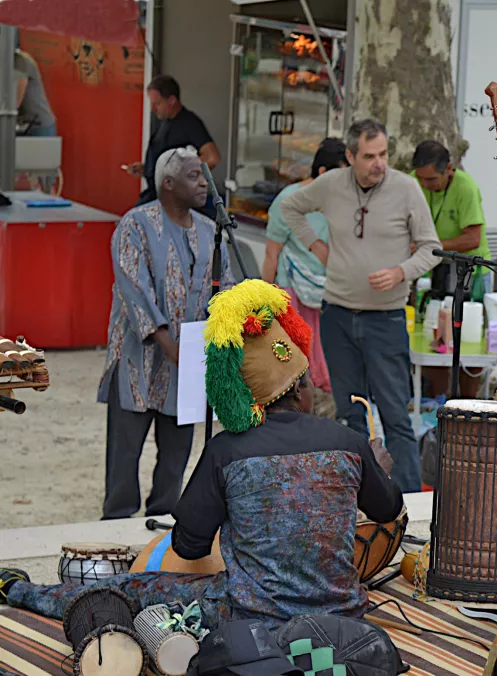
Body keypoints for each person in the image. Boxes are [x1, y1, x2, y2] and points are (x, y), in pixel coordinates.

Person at [0, 280, 403, 630]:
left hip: (250, 618)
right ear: (298, 388)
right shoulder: (348, 442)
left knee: (133, 586)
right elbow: (388, 509)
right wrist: (380, 470)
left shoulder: (226, 450)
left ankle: (18, 590)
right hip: (342, 615)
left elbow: (189, 546)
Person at [281, 119, 441, 493]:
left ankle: (409, 501)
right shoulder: (331, 185)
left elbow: (431, 248)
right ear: (351, 156)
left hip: (385, 319)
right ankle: (354, 495)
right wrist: (316, 247)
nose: (379, 163)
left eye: (383, 154)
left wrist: (400, 272)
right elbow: (290, 208)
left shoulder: (406, 189)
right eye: (369, 156)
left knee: (396, 416)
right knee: (350, 415)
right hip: (337, 314)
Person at [97, 147, 234, 521]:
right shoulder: (135, 225)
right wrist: (169, 345)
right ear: (168, 184)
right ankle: (116, 527)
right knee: (124, 457)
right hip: (137, 363)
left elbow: (225, 289)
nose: (204, 183)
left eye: (203, 175)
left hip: (187, 366)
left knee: (176, 459)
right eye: (194, 176)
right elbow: (134, 289)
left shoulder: (210, 232)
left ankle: (163, 526)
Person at [261, 137, 349, 396]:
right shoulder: (289, 201)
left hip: (331, 294)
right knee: (297, 370)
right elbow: (271, 254)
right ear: (322, 172)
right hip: (294, 294)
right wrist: (263, 304)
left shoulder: (345, 202)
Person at [411, 140, 491, 300]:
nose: (424, 184)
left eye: (431, 179)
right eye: (420, 178)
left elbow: (473, 239)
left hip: (469, 271)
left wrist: (429, 246)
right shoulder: (413, 181)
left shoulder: (465, 187)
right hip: (434, 268)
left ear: (448, 168)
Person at [126, 75, 221, 209]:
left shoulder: (190, 123)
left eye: (157, 103)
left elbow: (212, 158)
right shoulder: (164, 122)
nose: (153, 109)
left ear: (172, 100)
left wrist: (180, 173)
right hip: (156, 196)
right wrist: (147, 168)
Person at [13, 48, 58, 190]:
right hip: (23, 125)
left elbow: (16, 98)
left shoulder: (20, 61)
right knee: (20, 175)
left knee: (43, 180)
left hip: (40, 125)